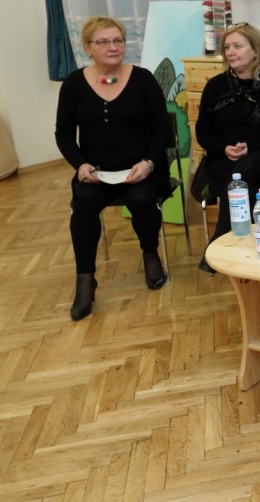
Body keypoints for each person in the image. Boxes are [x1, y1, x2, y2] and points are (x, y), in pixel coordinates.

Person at [55, 16, 171, 321]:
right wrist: (80, 165)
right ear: (87, 47)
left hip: (143, 168)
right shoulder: (74, 84)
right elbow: (63, 134)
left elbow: (162, 128)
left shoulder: (143, 79)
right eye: (103, 41)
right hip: (97, 173)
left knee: (141, 199)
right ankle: (85, 279)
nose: (113, 47)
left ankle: (150, 253)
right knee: (84, 204)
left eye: (118, 40)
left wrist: (148, 163)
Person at [195, 22, 260, 271]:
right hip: (224, 159)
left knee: (244, 170)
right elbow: (203, 132)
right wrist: (224, 149)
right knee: (244, 184)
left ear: (255, 51)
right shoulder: (215, 86)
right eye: (227, 47)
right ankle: (251, 252)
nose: (230, 52)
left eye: (237, 46)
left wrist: (250, 147)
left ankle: (218, 244)